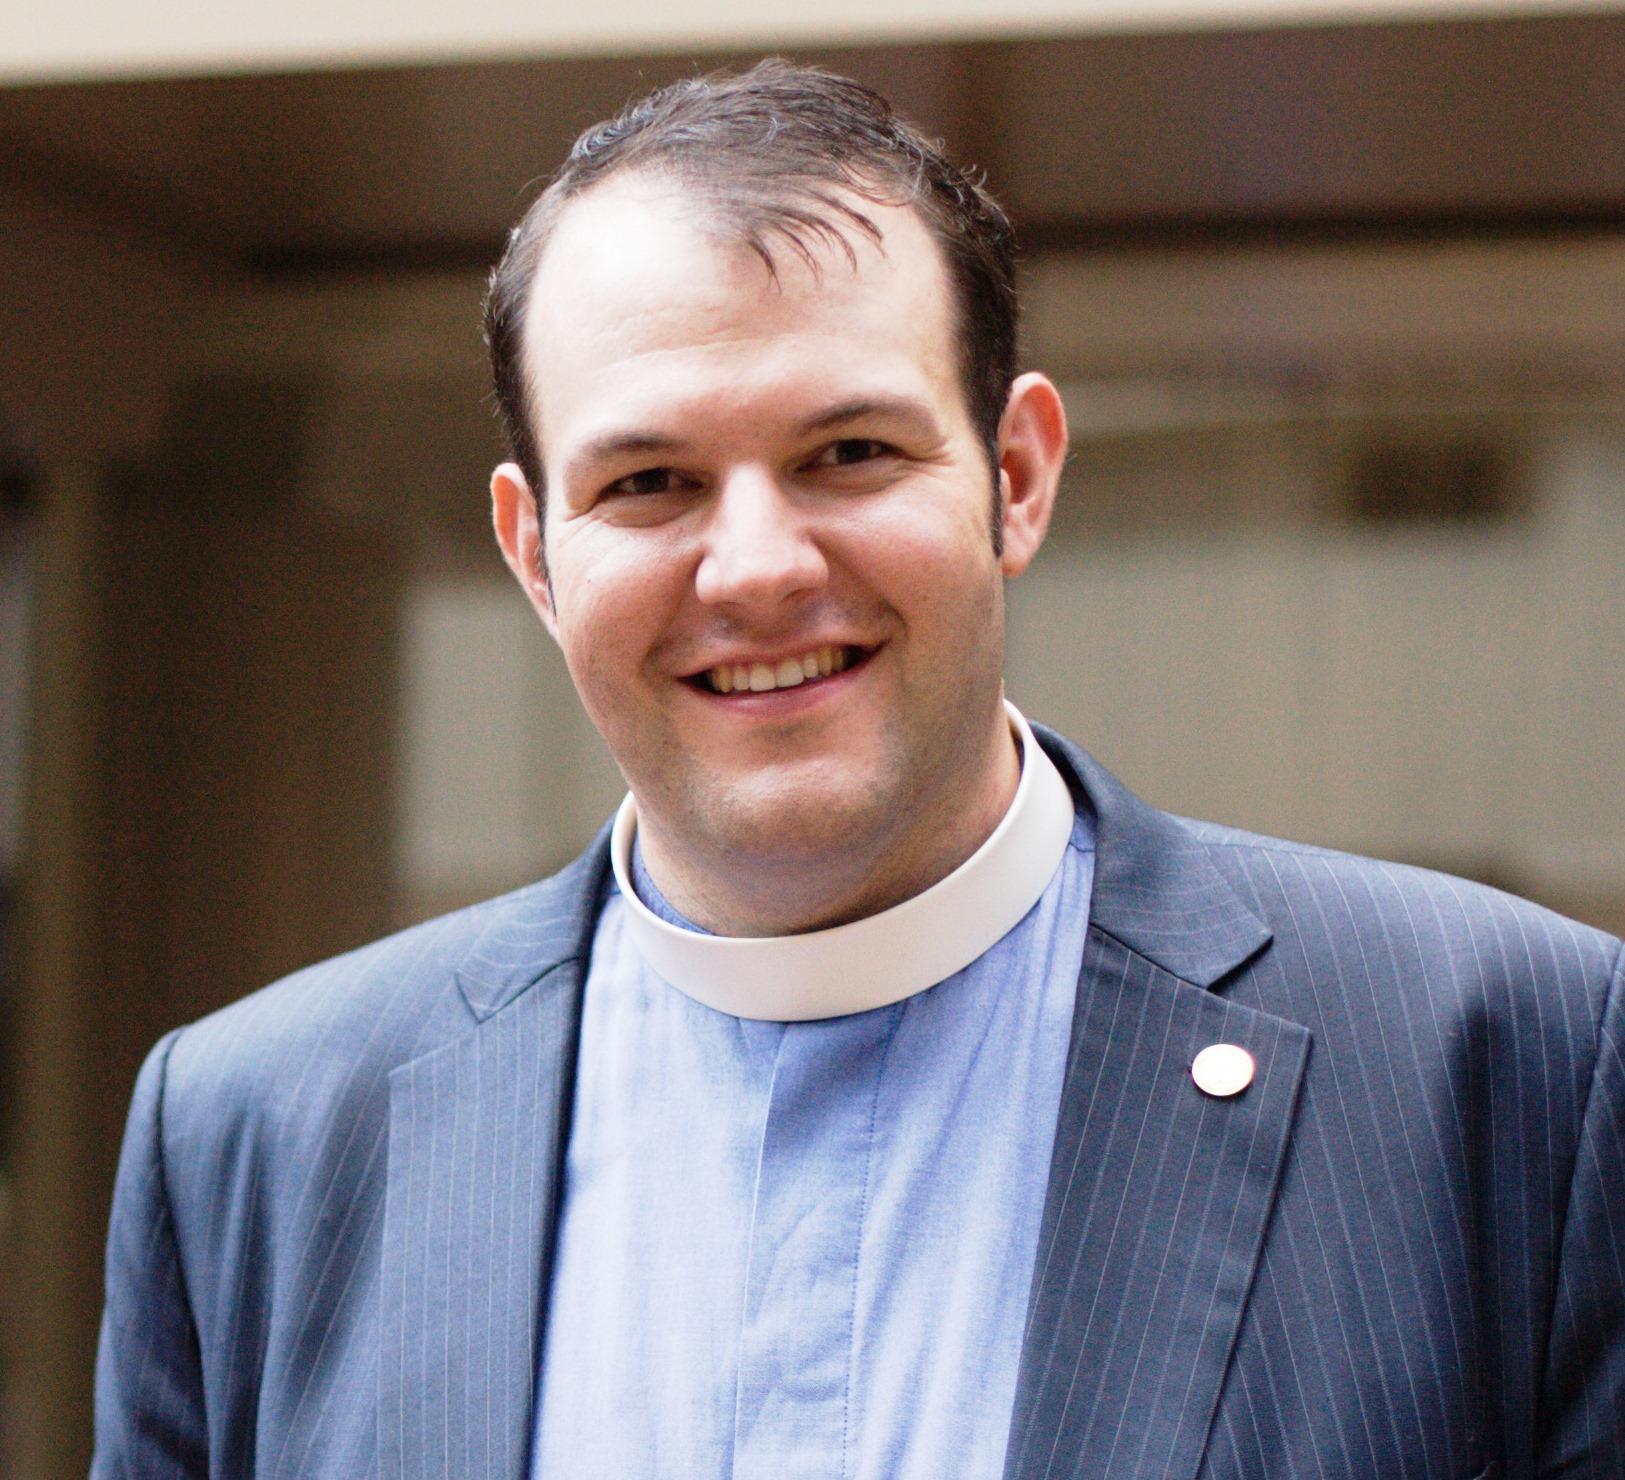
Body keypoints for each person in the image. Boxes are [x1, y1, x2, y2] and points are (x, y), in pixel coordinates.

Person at [93, 62, 1623, 1480]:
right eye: (648, 482)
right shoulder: (255, 1136)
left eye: (849, 454)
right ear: (534, 553)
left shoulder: (1506, 1071)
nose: (756, 568)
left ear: (1014, 475)